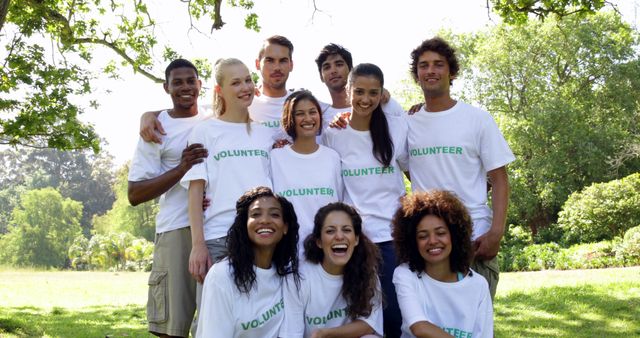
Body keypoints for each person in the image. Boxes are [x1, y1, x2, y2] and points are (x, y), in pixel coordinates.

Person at [406, 37, 515, 299]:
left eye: (438, 64)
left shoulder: (477, 119)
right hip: (428, 244)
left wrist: (496, 233)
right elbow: (409, 169)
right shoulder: (407, 123)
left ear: (451, 72)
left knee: (474, 327)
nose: (430, 70)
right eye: (424, 65)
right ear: (417, 74)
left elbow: (499, 179)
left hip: (475, 239)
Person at [180, 58, 273, 334]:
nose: (245, 87)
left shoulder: (266, 134)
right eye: (236, 82)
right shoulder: (204, 132)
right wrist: (198, 245)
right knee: (213, 324)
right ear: (219, 89)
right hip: (219, 239)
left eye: (247, 79)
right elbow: (196, 193)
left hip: (262, 238)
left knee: (256, 321)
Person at [322, 63, 408, 338]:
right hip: (354, 241)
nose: (365, 99)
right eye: (359, 91)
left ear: (382, 94)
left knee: (394, 313)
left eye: (373, 93)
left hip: (391, 237)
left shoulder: (396, 126)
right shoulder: (333, 134)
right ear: (347, 91)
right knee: (358, 315)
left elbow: (412, 167)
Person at [127, 59, 208, 338]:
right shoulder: (157, 129)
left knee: (217, 323)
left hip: (217, 228)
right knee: (171, 326)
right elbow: (135, 194)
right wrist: (181, 169)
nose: (185, 87)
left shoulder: (215, 117)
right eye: (177, 82)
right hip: (176, 229)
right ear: (166, 87)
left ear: (200, 85)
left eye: (190, 81)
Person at [196, 186, 300, 337]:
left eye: (275, 214)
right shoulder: (222, 276)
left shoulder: (287, 275)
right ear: (244, 225)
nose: (265, 220)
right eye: (256, 214)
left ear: (285, 227)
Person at [392, 190, 493, 338]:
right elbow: (420, 328)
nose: (432, 241)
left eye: (440, 233)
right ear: (413, 242)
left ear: (455, 236)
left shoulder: (479, 285)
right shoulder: (405, 274)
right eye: (423, 236)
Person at [280, 202, 383, 338]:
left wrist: (326, 333)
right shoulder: (298, 279)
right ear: (319, 242)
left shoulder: (367, 273)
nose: (339, 236)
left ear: (356, 239)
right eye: (330, 231)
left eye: (346, 230)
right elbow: (292, 334)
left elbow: (369, 325)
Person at [270, 90, 343, 253]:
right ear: (289, 118)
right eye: (300, 114)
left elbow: (339, 204)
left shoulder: (332, 157)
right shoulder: (275, 158)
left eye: (312, 112)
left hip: (327, 252)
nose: (308, 119)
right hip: (288, 252)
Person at [314, 43, 404, 128]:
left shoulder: (384, 103)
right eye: (326, 67)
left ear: (351, 71)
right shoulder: (318, 118)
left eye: (339, 64)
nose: (333, 70)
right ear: (321, 77)